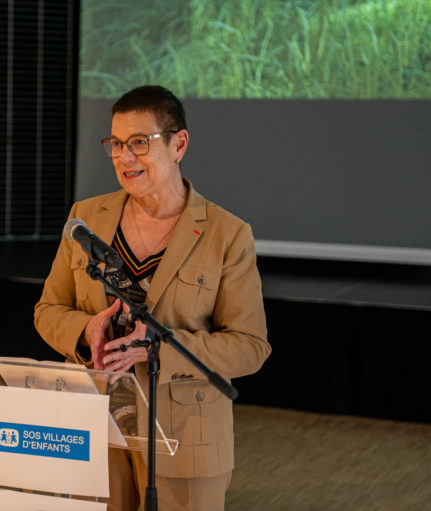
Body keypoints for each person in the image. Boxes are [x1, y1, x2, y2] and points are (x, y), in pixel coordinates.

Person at [34, 85, 270, 510]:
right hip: (94, 424)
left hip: (183, 435)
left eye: (140, 143)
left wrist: (158, 348)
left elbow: (250, 347)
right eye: (116, 144)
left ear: (179, 145)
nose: (124, 157)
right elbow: (47, 310)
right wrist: (85, 330)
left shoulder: (227, 233)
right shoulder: (85, 218)